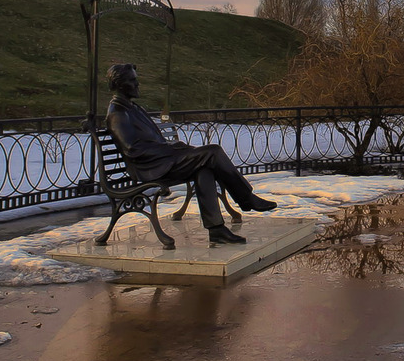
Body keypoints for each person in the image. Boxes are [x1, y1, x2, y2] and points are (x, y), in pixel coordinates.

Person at [104, 63, 276, 244]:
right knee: (213, 152)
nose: (137, 84)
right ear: (119, 84)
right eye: (133, 80)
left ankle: (216, 229)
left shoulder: (133, 108)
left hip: (162, 160)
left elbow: (152, 141)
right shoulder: (118, 113)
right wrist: (170, 149)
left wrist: (174, 145)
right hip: (150, 167)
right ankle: (246, 198)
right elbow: (134, 149)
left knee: (204, 168)